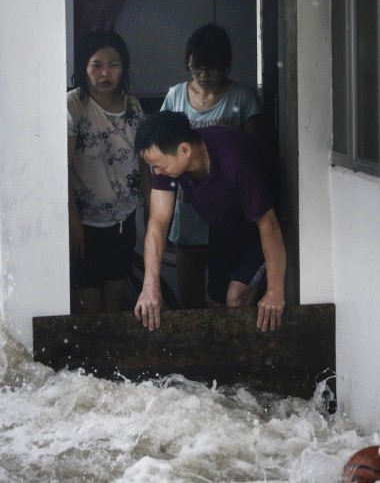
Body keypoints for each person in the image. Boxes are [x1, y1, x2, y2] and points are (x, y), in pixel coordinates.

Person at [133, 111, 285, 332]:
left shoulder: (234, 160)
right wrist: (150, 286)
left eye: (159, 166)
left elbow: (268, 224)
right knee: (216, 299)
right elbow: (158, 223)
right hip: (223, 226)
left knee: (236, 297)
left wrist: (275, 292)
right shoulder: (169, 159)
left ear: (184, 150)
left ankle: (243, 361)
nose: (157, 172)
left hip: (261, 227)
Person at [160, 23, 263, 307]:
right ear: (188, 63)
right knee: (190, 301)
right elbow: (161, 149)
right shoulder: (176, 97)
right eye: (197, 68)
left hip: (231, 214)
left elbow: (257, 154)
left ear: (225, 66)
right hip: (189, 211)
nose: (204, 75)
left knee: (226, 296)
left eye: (212, 68)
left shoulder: (242, 98)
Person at [67, 30, 148, 313]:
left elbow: (145, 163)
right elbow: (62, 170)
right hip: (85, 226)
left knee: (113, 305)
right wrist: (73, 222)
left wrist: (151, 213)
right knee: (88, 308)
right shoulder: (73, 105)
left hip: (124, 222)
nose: (105, 73)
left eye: (113, 64)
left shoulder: (133, 106)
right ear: (84, 67)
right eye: (97, 65)